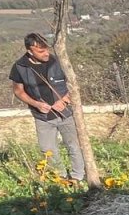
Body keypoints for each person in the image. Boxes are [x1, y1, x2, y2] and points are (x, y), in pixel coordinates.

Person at [9, 33, 85, 181]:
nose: (46, 54)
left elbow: (74, 84)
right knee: (47, 149)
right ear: (30, 51)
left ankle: (78, 177)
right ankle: (61, 177)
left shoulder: (58, 61)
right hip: (42, 117)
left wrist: (64, 101)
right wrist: (36, 104)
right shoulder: (20, 67)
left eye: (46, 49)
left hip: (66, 113)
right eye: (40, 51)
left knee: (74, 146)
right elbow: (18, 91)